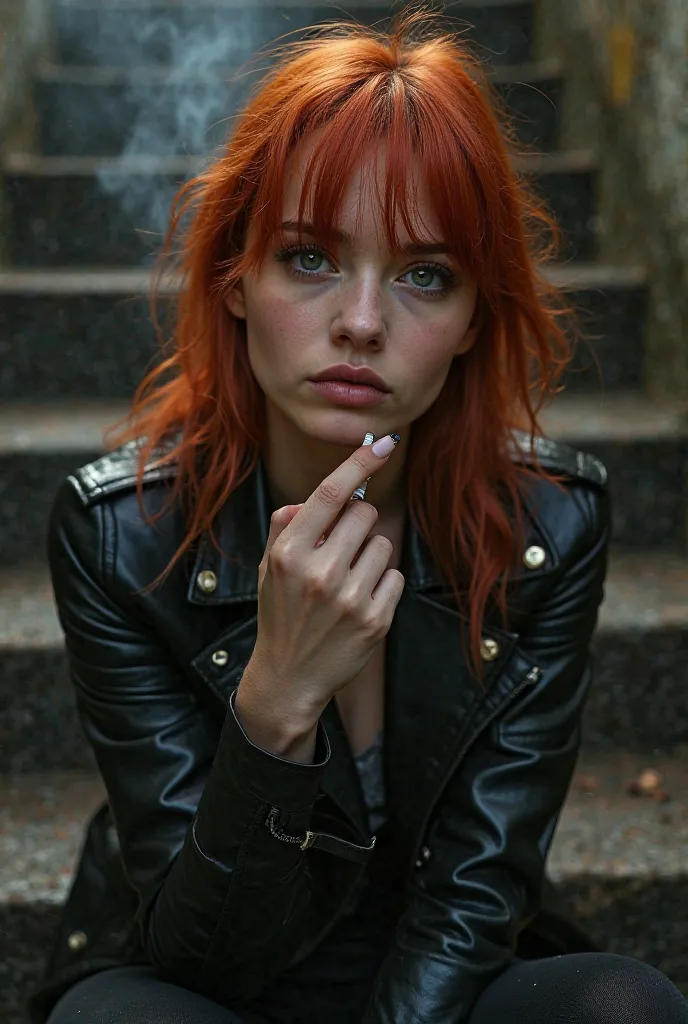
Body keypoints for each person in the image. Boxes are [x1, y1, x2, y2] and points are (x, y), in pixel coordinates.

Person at [32, 6, 688, 1024]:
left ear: (474, 318)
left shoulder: (546, 531)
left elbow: (476, 891)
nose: (363, 320)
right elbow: (201, 951)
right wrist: (278, 701)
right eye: (309, 257)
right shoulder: (121, 540)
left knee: (621, 1004)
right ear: (234, 276)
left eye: (426, 274)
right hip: (212, 975)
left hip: (437, 983)